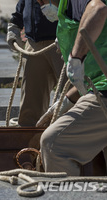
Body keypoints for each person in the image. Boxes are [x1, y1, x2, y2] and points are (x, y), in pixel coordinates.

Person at [39, 0, 107, 176]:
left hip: (104, 92)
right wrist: (68, 99)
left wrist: (76, 56)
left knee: (54, 144)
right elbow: (95, 72)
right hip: (99, 89)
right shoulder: (65, 4)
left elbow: (98, 9)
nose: (41, 4)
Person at [7, 0, 65, 127]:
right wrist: (14, 25)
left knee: (71, 97)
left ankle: (74, 138)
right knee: (30, 102)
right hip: (34, 43)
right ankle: (29, 140)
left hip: (62, 40)